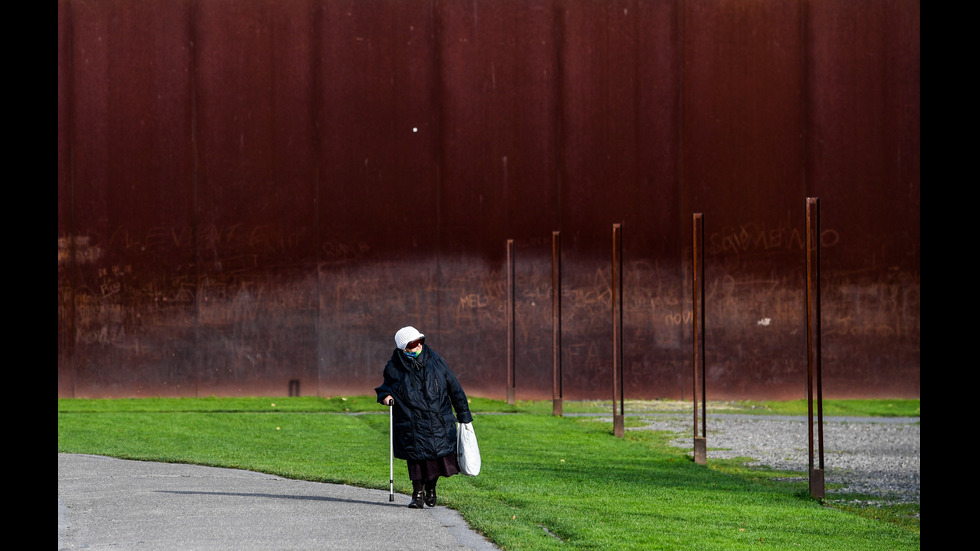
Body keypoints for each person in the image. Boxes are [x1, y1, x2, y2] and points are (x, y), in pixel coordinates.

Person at [375, 326, 473, 508]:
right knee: (417, 460)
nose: (418, 346)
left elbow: (455, 388)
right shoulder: (394, 367)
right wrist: (385, 397)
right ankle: (417, 495)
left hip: (437, 420)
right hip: (411, 422)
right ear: (403, 347)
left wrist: (464, 416)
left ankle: (431, 489)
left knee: (435, 459)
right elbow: (385, 388)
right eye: (413, 344)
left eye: (420, 341)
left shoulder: (437, 361)